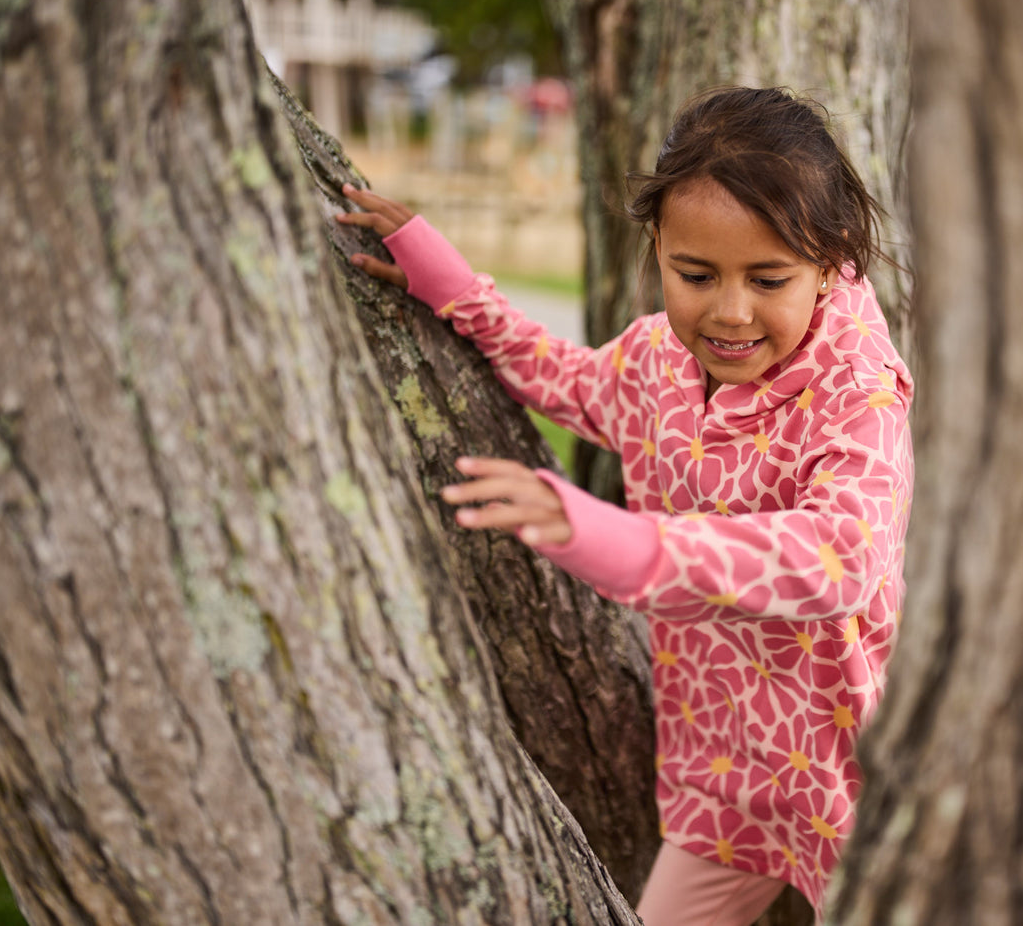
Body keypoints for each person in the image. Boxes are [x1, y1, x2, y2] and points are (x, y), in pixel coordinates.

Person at [338, 86, 914, 926]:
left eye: (768, 278)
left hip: (851, 779)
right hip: (724, 778)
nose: (729, 310)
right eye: (695, 274)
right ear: (656, 246)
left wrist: (625, 543)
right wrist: (448, 284)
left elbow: (841, 560)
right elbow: (561, 379)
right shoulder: (654, 363)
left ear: (829, 263)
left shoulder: (856, 395)